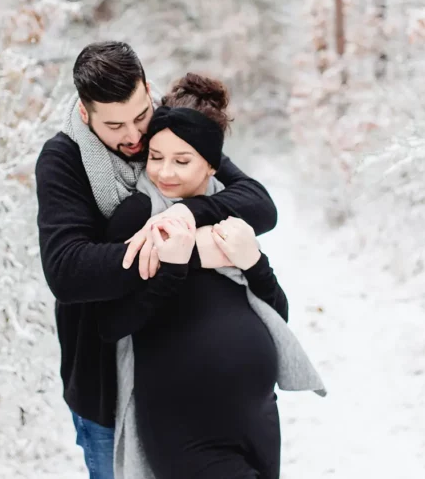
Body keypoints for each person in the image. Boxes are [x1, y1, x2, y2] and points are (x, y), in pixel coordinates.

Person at [35, 42, 280, 479]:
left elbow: (257, 203)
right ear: (85, 112)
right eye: (115, 125)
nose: (133, 136)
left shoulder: (167, 134)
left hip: (190, 391)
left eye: (139, 116)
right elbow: (68, 270)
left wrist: (188, 215)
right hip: (105, 384)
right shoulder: (64, 160)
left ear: (148, 92)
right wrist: (176, 254)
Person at [97, 74, 324, 479]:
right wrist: (172, 269)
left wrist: (254, 262)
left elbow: (276, 316)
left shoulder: (232, 212)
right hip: (181, 419)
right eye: (156, 156)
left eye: (182, 161)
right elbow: (111, 322)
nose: (164, 172)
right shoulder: (137, 216)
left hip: (254, 416)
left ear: (212, 165)